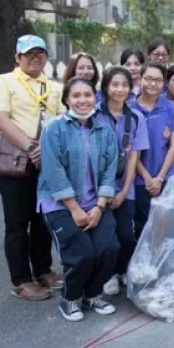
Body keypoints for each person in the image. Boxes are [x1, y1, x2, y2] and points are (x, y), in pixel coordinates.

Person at [0, 34, 65, 301]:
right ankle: (20, 280)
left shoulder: (53, 87)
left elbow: (61, 119)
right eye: (29, 53)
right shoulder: (4, 82)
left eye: (41, 53)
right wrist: (31, 148)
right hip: (15, 162)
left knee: (43, 218)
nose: (36, 58)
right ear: (17, 57)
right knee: (17, 223)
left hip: (46, 162)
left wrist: (48, 150)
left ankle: (42, 269)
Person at [38, 77, 120, 321]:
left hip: (96, 203)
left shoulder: (104, 128)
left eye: (87, 95)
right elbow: (52, 171)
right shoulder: (54, 128)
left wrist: (99, 206)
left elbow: (110, 169)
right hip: (60, 204)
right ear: (67, 99)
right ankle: (70, 297)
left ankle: (92, 294)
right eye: (76, 95)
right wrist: (74, 208)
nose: (83, 100)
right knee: (82, 254)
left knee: (109, 249)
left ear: (95, 98)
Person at [96, 66, 149, 296]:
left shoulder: (136, 117)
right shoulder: (93, 114)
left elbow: (134, 157)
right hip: (96, 188)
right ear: (106, 87)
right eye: (114, 84)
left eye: (124, 85)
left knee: (127, 235)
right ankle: (106, 274)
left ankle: (122, 269)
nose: (119, 89)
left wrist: (124, 190)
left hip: (124, 187)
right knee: (106, 237)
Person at [129, 63, 174, 238]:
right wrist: (147, 178)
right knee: (143, 226)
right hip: (138, 178)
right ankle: (143, 264)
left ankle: (164, 265)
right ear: (140, 79)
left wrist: (160, 178)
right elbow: (130, 149)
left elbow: (173, 146)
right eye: (149, 79)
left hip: (166, 176)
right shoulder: (129, 109)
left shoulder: (171, 108)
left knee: (168, 227)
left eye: (158, 80)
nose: (153, 84)